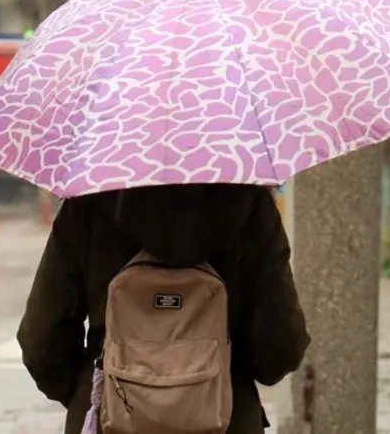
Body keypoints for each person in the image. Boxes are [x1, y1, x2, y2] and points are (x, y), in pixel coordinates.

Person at [17, 184, 310, 434]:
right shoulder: (250, 205)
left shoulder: (88, 203)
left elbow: (41, 341)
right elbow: (280, 347)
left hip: (109, 418)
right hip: (227, 420)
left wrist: (101, 390)